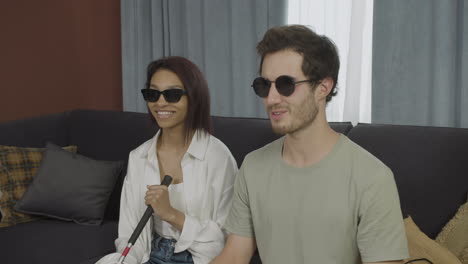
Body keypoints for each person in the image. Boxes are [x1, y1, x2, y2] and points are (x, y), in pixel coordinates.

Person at [211, 25, 408, 264]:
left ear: (323, 88)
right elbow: (234, 257)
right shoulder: (252, 167)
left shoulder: (372, 178)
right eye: (264, 85)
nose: (271, 99)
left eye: (286, 85)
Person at [97, 56, 238, 264]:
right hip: (152, 255)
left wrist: (171, 214)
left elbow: (226, 242)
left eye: (172, 94)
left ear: (194, 97)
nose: (160, 103)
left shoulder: (218, 157)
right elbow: (129, 236)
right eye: (152, 94)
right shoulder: (138, 157)